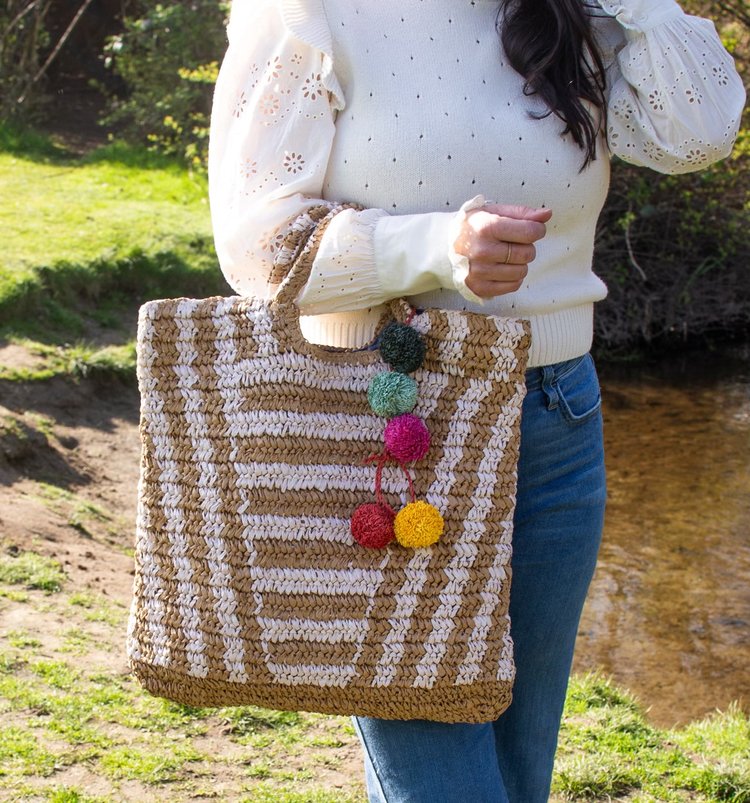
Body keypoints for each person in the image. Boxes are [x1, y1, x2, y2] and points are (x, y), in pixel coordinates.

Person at [208, 0, 744, 800]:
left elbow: (698, 134)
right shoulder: (308, 13)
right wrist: (433, 248)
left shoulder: (567, 12)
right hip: (388, 433)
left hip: (558, 416)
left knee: (519, 771)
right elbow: (256, 244)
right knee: (445, 780)